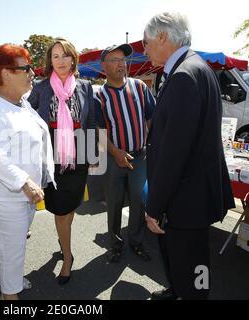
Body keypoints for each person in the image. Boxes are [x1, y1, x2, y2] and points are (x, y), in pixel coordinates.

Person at [143, 12, 235, 300]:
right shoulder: (197, 67)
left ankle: (193, 296)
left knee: (194, 265)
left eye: (147, 42)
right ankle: (179, 291)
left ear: (162, 37)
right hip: (190, 194)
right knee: (185, 261)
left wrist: (155, 206)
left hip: (184, 198)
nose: (145, 49)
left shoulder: (184, 75)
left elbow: (174, 152)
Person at [0, 44, 55, 300]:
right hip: (5, 195)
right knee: (12, 249)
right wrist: (25, 182)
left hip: (23, 194)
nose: (32, 72)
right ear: (5, 73)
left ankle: (12, 280)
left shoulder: (20, 103)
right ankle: (10, 296)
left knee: (13, 246)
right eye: (26, 68)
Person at [28, 38, 96, 285]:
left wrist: (93, 157)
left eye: (65, 55)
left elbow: (90, 123)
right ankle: (68, 256)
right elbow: (27, 118)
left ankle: (63, 238)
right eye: (55, 56)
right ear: (50, 61)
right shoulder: (40, 87)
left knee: (71, 204)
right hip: (51, 153)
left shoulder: (86, 87)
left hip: (78, 152)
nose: (60, 61)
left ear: (73, 58)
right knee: (59, 208)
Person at [94, 44, 156, 263]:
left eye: (123, 60)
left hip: (140, 157)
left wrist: (151, 143)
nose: (121, 64)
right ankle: (115, 244)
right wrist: (115, 152)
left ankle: (137, 242)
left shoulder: (139, 87)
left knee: (139, 200)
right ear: (104, 66)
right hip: (113, 160)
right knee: (114, 203)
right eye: (115, 60)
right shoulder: (99, 96)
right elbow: (98, 132)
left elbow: (151, 117)